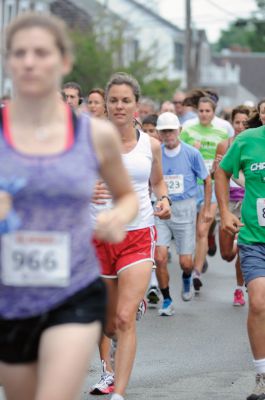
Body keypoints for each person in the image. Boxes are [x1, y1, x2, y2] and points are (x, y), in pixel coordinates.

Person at [0, 12, 139, 400]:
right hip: (10, 295)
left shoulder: (93, 134)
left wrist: (117, 216)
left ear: (63, 62)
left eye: (41, 52)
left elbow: (126, 196)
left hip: (73, 289)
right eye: (20, 53)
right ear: (9, 61)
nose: (30, 61)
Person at [90, 72, 171, 400]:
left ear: (136, 105)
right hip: (99, 235)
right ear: (106, 105)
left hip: (138, 234)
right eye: (114, 100)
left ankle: (118, 393)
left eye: (126, 100)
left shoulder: (150, 145)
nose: (119, 106)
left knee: (124, 319)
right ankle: (121, 315)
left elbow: (159, 183)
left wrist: (163, 199)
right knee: (108, 323)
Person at [215, 115, 265, 400]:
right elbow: (221, 172)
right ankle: (262, 377)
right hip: (254, 239)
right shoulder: (247, 140)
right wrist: (224, 211)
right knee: (258, 302)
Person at [154, 112, 211, 316]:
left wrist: (204, 208)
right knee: (160, 258)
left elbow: (206, 179)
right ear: (159, 133)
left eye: (171, 130)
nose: (168, 134)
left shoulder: (191, 153)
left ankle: (187, 277)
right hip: (161, 208)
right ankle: (167, 299)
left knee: (185, 262)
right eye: (164, 131)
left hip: (185, 208)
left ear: (179, 131)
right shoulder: (156, 153)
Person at [181, 96, 228, 292]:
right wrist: (193, 150)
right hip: (192, 186)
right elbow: (180, 153)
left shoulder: (221, 131)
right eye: (201, 111)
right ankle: (195, 258)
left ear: (213, 112)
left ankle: (196, 273)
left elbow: (226, 158)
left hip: (213, 185)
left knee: (202, 230)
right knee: (192, 232)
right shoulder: (188, 130)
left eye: (208, 111)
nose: (204, 114)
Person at [213, 105, 250, 306]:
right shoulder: (224, 145)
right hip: (228, 202)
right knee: (227, 254)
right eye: (237, 122)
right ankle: (237, 244)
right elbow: (216, 175)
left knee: (244, 249)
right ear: (232, 124)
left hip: (247, 202)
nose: (241, 126)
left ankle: (239, 288)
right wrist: (216, 168)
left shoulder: (253, 144)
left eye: (245, 123)